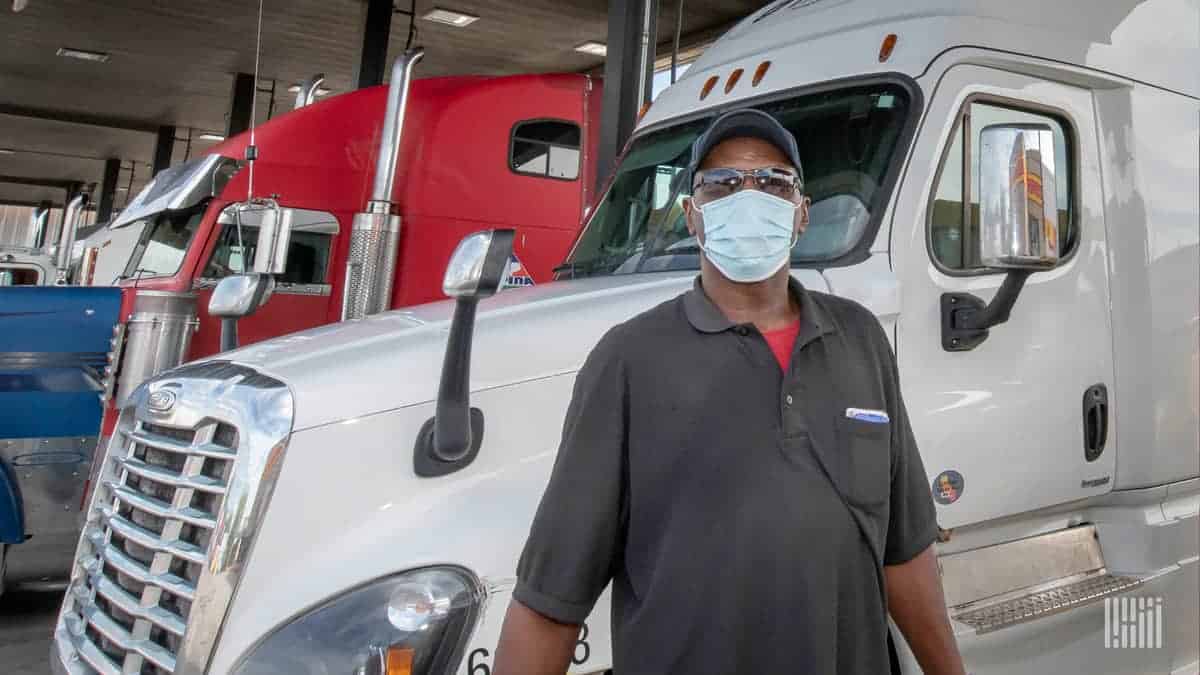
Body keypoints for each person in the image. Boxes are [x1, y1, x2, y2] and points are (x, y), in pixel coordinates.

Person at [493, 109, 965, 675]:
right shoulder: (629, 360)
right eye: (722, 184)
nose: (749, 196)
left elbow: (904, 549)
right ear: (693, 218)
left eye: (772, 182)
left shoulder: (860, 339)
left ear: (800, 214)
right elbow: (551, 599)